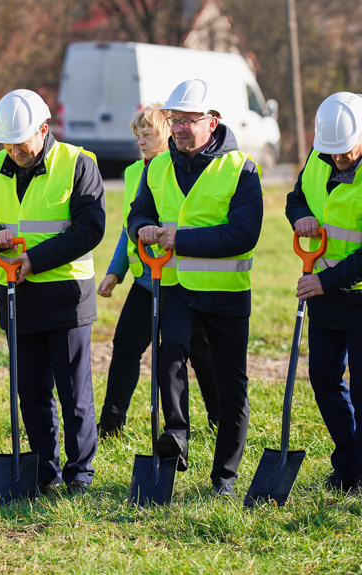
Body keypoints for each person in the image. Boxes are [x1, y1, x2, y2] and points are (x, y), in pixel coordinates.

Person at [127, 79, 263, 498]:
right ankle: (177, 434)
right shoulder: (157, 168)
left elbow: (243, 235)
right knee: (170, 354)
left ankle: (224, 477)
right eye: (174, 120)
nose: (180, 128)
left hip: (225, 293)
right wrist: (141, 230)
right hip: (176, 286)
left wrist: (176, 239)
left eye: (189, 120)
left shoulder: (241, 167)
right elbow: (136, 215)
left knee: (230, 385)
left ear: (213, 122)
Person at [0, 89, 105, 496]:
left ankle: (80, 475)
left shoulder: (79, 164)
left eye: (20, 141)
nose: (13, 150)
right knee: (31, 394)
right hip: (15, 298)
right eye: (6, 142)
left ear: (44, 130)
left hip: (67, 296)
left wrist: (35, 260)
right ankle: (46, 472)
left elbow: (90, 228)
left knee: (74, 394)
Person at [285, 92, 362, 496]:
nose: (336, 159)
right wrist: (298, 214)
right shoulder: (322, 153)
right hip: (322, 288)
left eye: (343, 151)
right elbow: (296, 195)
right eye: (330, 152)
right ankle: (347, 462)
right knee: (322, 378)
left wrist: (327, 281)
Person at [96, 102, 218, 439]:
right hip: (146, 279)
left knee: (198, 354)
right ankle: (110, 425)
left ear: (167, 133)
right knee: (124, 347)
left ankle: (218, 419)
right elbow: (127, 228)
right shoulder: (135, 173)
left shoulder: (179, 171)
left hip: (180, 281)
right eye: (138, 134)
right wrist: (114, 272)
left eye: (148, 133)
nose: (141, 140)